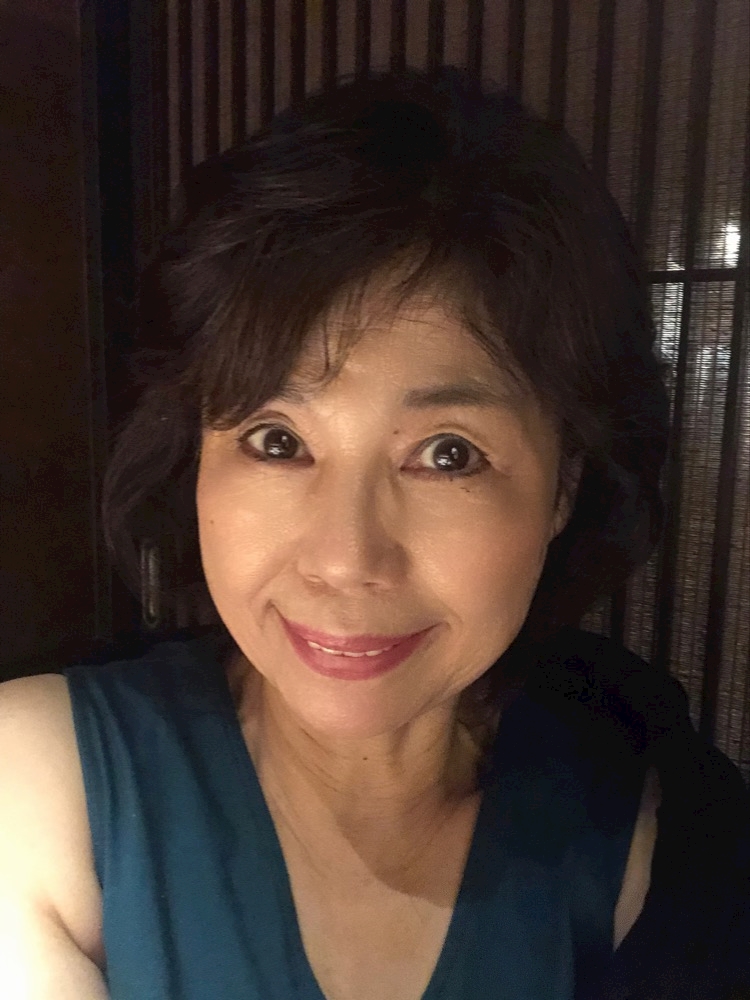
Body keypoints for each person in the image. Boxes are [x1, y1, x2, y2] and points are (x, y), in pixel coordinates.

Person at [0, 65, 747, 1000]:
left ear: (565, 487)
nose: (345, 560)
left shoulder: (658, 844)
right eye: (277, 441)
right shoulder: (38, 791)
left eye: (447, 454)